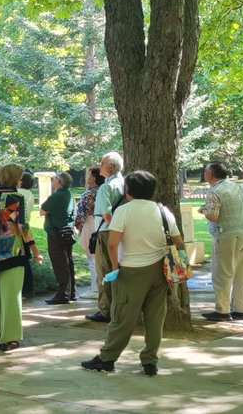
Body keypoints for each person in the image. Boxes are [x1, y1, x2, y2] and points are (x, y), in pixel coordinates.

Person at [81, 170, 184, 376]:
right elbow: (179, 243)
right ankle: (150, 362)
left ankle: (107, 358)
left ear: (128, 190)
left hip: (131, 271)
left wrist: (115, 268)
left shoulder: (124, 211)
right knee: (155, 319)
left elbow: (112, 244)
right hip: (160, 272)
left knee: (122, 317)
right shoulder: (163, 211)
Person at [0, 163, 44, 352]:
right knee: (11, 297)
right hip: (12, 252)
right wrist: (35, 251)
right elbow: (23, 227)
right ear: (16, 179)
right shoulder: (16, 197)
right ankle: (9, 338)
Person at [199, 162, 243, 322]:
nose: (204, 174)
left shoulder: (214, 192)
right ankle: (241, 309)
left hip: (226, 234)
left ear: (211, 175)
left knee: (222, 273)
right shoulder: (235, 187)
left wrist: (202, 210)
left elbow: (213, 216)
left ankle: (222, 310)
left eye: (206, 172)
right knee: (241, 273)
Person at [87, 151, 125, 323]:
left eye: (101, 163)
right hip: (122, 232)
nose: (98, 166)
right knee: (118, 270)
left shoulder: (105, 187)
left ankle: (105, 310)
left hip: (105, 232)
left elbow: (106, 215)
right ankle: (119, 307)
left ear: (110, 167)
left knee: (104, 272)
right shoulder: (125, 183)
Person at [40, 172, 76, 304]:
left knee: (60, 264)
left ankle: (63, 294)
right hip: (67, 232)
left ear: (59, 182)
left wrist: (49, 213)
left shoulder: (57, 196)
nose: (53, 180)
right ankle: (71, 292)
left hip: (56, 234)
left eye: (55, 179)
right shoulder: (70, 195)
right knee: (68, 262)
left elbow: (42, 211)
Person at [75, 167, 105, 299]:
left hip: (90, 223)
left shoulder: (88, 194)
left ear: (93, 178)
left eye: (89, 176)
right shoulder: (105, 192)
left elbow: (81, 213)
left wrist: (78, 226)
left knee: (92, 256)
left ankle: (95, 289)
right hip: (104, 224)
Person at [19, 171, 37, 297]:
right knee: (26, 259)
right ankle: (28, 289)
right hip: (26, 227)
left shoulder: (18, 193)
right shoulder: (30, 193)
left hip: (18, 228)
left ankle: (22, 288)